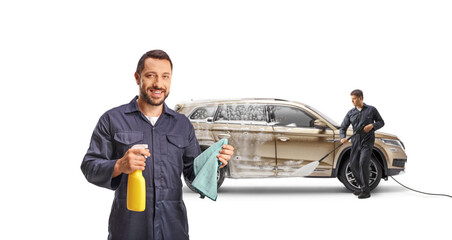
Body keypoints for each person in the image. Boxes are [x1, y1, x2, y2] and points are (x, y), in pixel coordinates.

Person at [81, 50, 234, 239]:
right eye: (150, 75)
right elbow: (89, 167)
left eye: (165, 76)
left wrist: (213, 162)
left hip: (173, 228)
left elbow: (192, 174)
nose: (158, 84)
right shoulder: (112, 120)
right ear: (138, 78)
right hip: (129, 229)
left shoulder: (182, 124)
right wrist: (119, 165)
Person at [340, 89, 384, 199]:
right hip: (355, 141)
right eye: (351, 99)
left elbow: (381, 122)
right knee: (354, 164)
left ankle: (366, 191)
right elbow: (343, 127)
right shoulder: (351, 113)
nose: (352, 101)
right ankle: (362, 187)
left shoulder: (371, 110)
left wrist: (372, 126)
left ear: (360, 98)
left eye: (354, 99)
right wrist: (342, 138)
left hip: (367, 141)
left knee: (363, 162)